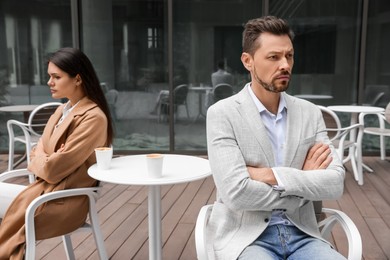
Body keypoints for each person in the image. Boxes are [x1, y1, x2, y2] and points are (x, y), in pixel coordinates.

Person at [206, 16, 346, 260]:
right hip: (247, 239)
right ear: (247, 61)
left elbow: (335, 183)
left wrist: (270, 175)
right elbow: (236, 194)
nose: (285, 65)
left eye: (289, 56)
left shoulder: (310, 113)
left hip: (303, 235)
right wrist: (303, 184)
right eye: (274, 57)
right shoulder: (222, 114)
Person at [0, 47, 114, 259]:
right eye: (49, 76)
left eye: (56, 77)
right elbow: (37, 149)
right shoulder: (61, 111)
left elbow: (52, 170)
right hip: (41, 192)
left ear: (77, 79)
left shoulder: (93, 118)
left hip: (64, 202)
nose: (49, 82)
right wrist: (45, 156)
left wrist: (43, 158)